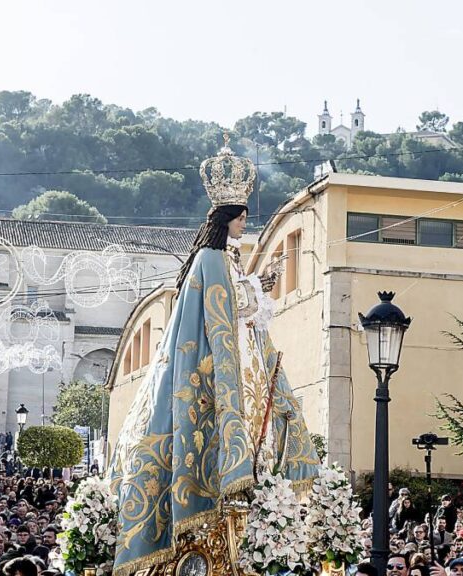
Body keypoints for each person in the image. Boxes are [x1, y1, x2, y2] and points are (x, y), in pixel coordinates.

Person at [110, 138, 317, 574]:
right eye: (242, 218)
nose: (245, 224)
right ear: (229, 218)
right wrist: (261, 287)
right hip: (213, 368)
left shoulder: (226, 259)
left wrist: (259, 284)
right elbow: (226, 307)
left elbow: (242, 304)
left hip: (240, 363)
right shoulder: (209, 258)